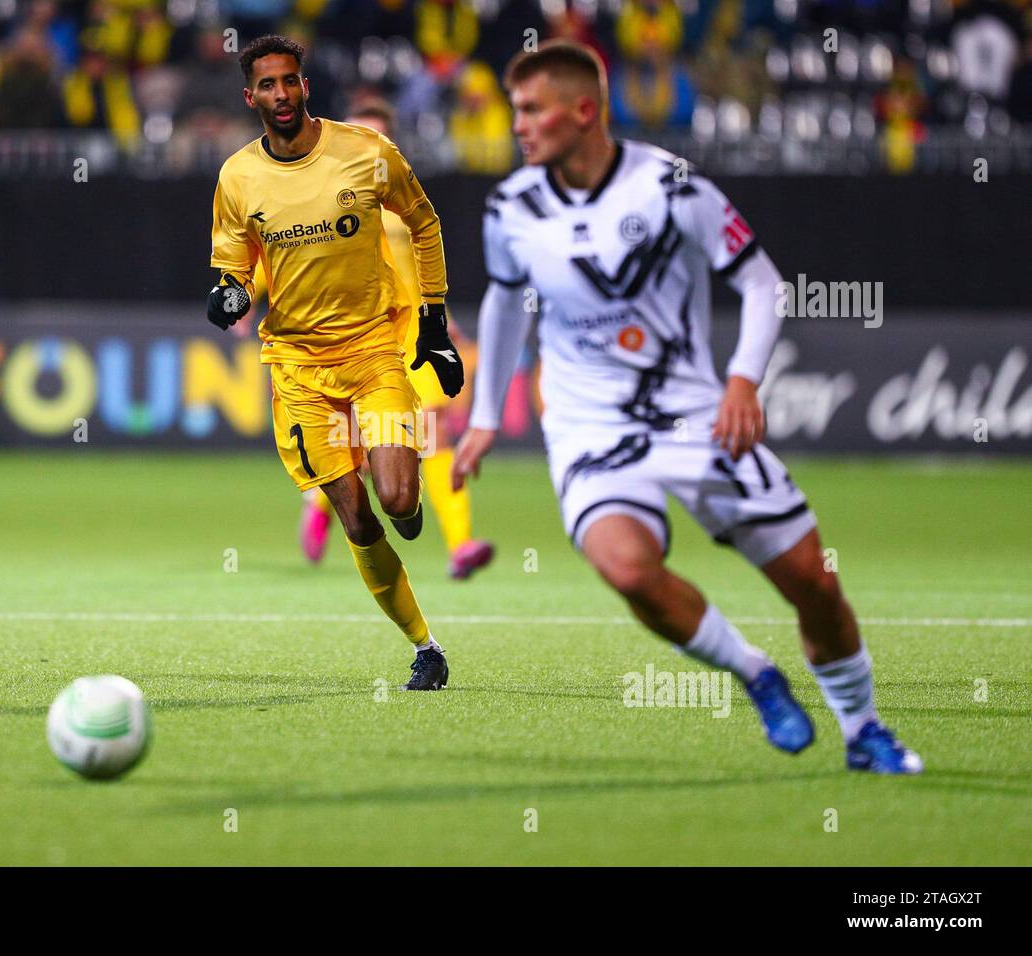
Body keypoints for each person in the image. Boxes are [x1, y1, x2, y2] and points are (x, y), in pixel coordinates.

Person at [454, 40, 922, 773]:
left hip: (694, 413)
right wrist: (485, 414)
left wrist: (742, 380)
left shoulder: (672, 187)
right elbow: (507, 305)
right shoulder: (510, 207)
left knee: (814, 584)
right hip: (588, 426)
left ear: (583, 111)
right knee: (627, 569)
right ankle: (757, 675)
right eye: (516, 111)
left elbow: (765, 284)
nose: (518, 125)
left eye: (531, 109)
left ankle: (863, 729)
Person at [207, 35, 465, 690]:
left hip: (374, 350)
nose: (281, 94)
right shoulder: (238, 177)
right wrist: (228, 296)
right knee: (356, 516)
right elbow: (232, 269)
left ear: (304, 86)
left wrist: (433, 320)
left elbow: (426, 221)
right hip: (296, 367)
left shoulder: (366, 153)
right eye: (267, 85)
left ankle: (410, 508)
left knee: (401, 502)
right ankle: (425, 646)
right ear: (251, 97)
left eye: (290, 81)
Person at [296, 97, 495, 581]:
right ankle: (323, 506)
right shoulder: (317, 200)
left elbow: (424, 262)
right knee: (357, 445)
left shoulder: (402, 201)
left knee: (433, 428)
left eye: (378, 137)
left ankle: (461, 544)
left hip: (407, 340)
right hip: (351, 339)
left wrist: (439, 318)